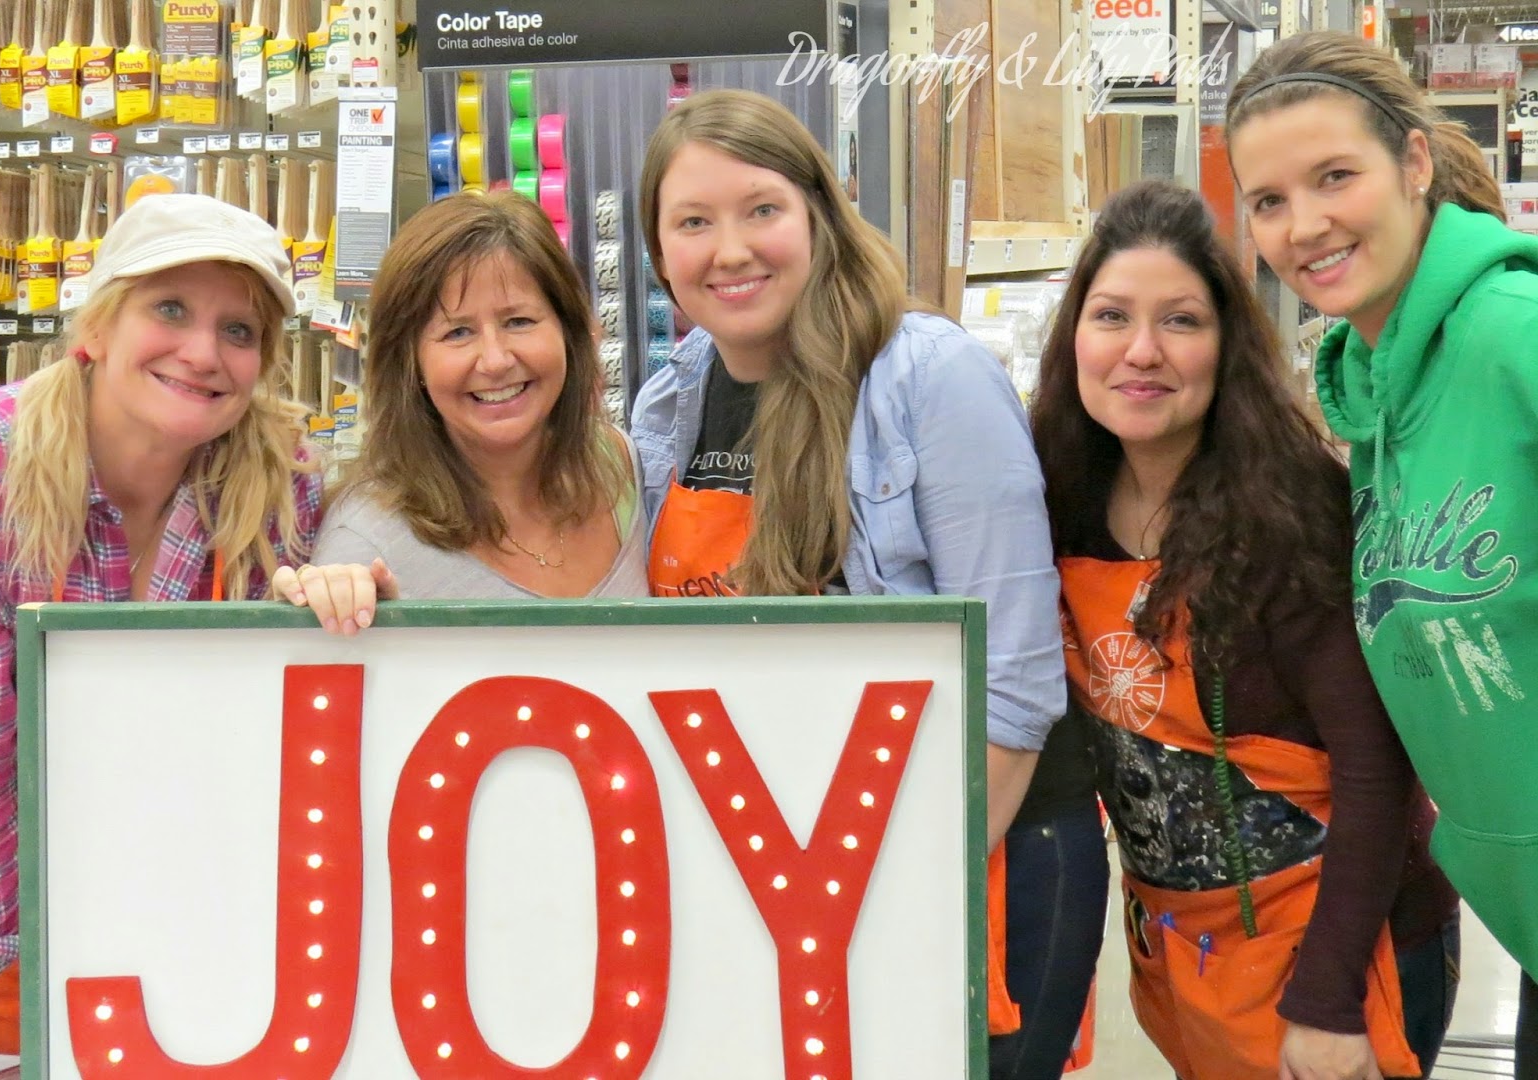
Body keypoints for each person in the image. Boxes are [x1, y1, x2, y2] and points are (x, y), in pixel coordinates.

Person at [630, 88, 1105, 1078]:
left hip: (982, 851)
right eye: (693, 222)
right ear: (658, 250)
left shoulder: (927, 378)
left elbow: (1012, 691)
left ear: (818, 210)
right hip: (791, 867)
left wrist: (890, 890)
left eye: (760, 209)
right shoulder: (673, 400)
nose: (730, 249)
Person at [1030, 179, 1460, 1080]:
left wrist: (1326, 1000)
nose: (1141, 352)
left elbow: (1378, 773)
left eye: (1181, 321)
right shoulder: (1052, 498)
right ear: (1074, 336)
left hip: (1346, 955)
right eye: (1112, 316)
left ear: (1228, 347)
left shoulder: (1292, 516)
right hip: (1192, 953)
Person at [0, 193, 323, 1074]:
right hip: (10, 940)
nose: (203, 352)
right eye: (171, 310)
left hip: (212, 932)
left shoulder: (282, 485)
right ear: (99, 327)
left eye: (239, 330)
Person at [1225, 30, 1538, 1073]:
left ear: (1411, 164)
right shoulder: (1371, 393)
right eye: (1267, 201)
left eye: (1333, 178)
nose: (1302, 225)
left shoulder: (1510, 332)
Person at [273, 190, 645, 624]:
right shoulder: (366, 543)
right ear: (410, 363)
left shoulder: (617, 463)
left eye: (519, 321)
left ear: (569, 332)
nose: (495, 360)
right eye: (457, 333)